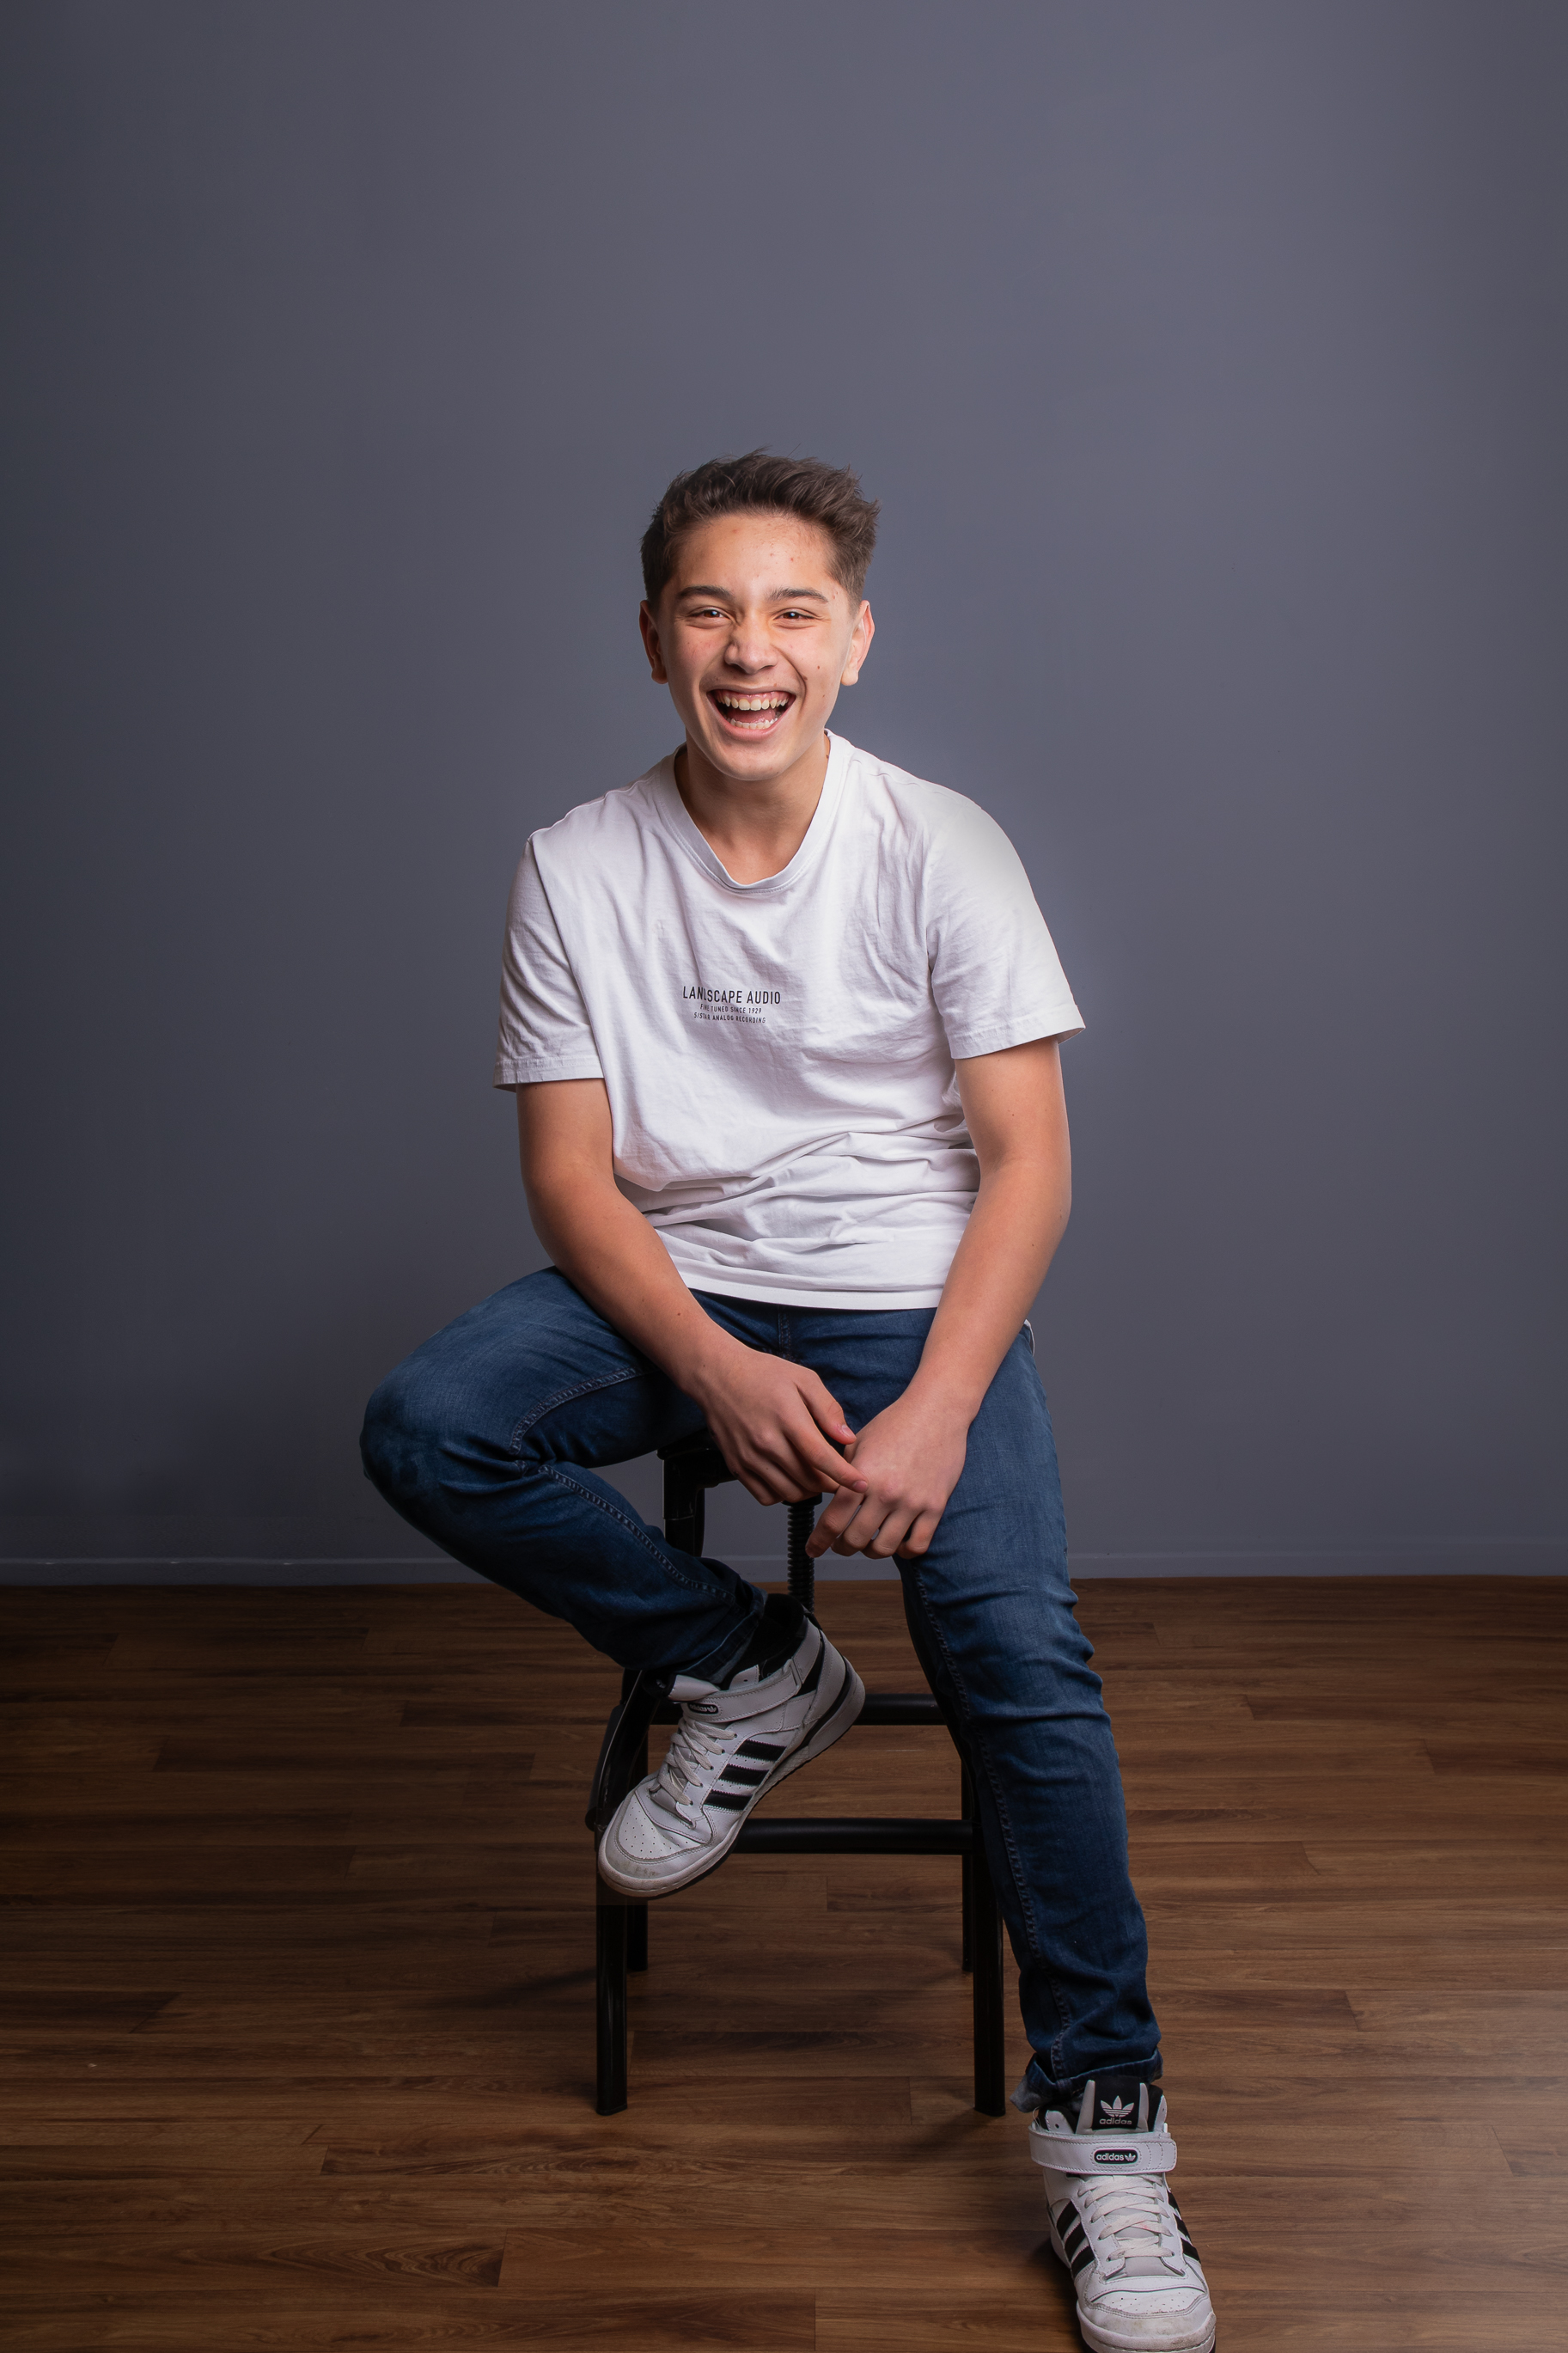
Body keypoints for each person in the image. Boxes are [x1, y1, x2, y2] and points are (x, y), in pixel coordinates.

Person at [360, 450, 1216, 2353]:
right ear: (653, 638)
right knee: (427, 1423)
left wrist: (934, 1407)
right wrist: (710, 1362)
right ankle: (749, 1666)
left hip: (909, 1297)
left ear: (854, 640)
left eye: (791, 611)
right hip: (679, 1285)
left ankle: (1108, 2136)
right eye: (710, 610)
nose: (750, 649)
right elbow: (571, 1179)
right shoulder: (576, 860)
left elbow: (1029, 1166)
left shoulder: (941, 845)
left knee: (1019, 1651)